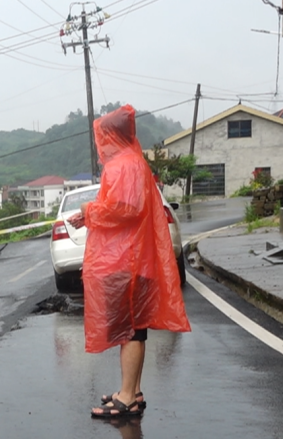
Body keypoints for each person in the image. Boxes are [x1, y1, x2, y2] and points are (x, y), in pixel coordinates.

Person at [67, 105, 190, 418]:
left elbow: (125, 208)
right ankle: (131, 391)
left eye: (101, 136)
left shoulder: (123, 164)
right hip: (134, 259)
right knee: (135, 329)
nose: (100, 144)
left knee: (131, 330)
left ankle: (127, 397)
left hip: (126, 262)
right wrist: (90, 214)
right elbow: (125, 207)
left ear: (110, 135)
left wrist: (89, 209)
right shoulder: (132, 162)